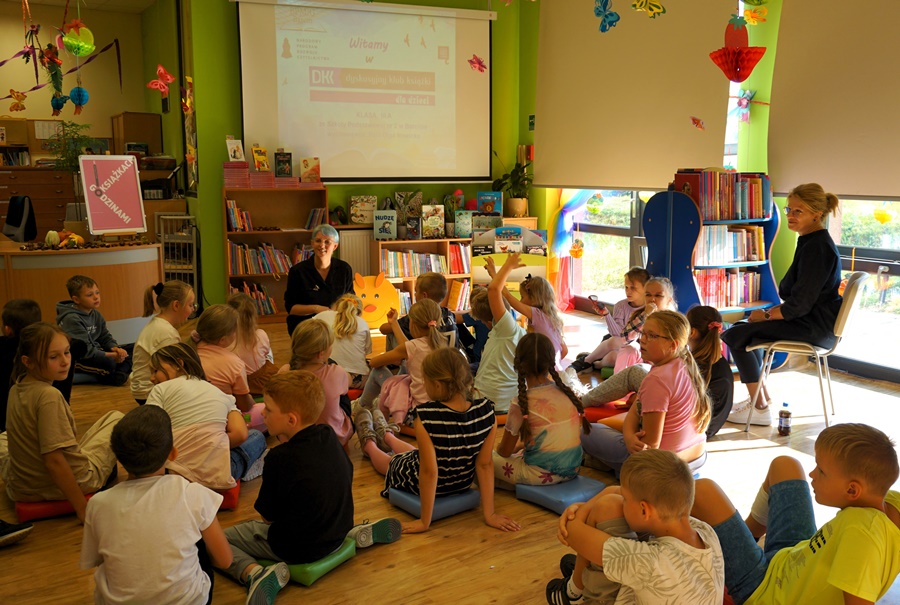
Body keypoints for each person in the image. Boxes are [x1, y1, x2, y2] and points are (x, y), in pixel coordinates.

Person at [690, 423, 900, 604]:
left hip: (766, 592)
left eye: (821, 471)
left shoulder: (863, 535)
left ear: (852, 490)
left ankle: (735, 555)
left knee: (703, 491)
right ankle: (747, 542)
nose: (812, 474)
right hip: (795, 556)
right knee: (785, 465)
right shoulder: (889, 502)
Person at [219, 371, 362, 604]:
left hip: (297, 549)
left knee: (214, 541)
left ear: (291, 420)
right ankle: (352, 535)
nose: (263, 413)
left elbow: (267, 517)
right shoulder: (327, 434)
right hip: (338, 531)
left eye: (269, 410)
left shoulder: (279, 458)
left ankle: (255, 573)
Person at [355, 347, 521, 534]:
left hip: (425, 480)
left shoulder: (426, 415)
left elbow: (428, 472)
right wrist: (490, 514)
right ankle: (386, 434)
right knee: (416, 455)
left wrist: (424, 521)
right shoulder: (486, 410)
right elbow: (484, 465)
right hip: (460, 483)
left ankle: (369, 442)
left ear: (437, 385)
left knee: (391, 463)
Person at [80, 405, 232, 605]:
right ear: (173, 454)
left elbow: (97, 561)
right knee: (200, 541)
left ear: (118, 459)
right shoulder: (192, 493)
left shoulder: (98, 504)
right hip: (189, 601)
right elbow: (225, 561)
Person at [724, 183, 842, 426]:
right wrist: (765, 315)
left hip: (813, 327)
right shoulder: (811, 241)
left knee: (736, 334)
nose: (790, 215)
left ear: (816, 214)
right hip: (813, 321)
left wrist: (766, 316)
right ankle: (761, 400)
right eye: (789, 209)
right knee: (744, 330)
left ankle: (759, 408)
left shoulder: (817, 248)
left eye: (798, 211)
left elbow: (798, 305)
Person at [548, 449, 724, 605]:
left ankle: (573, 594)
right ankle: (584, 576)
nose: (621, 499)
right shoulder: (706, 531)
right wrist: (606, 497)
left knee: (606, 507)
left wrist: (580, 511)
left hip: (639, 580)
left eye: (625, 498)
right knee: (611, 503)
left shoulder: (647, 563)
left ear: (644, 510)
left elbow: (572, 532)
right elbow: (615, 491)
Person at [0, 323, 122, 522]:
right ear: (28, 362)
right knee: (117, 418)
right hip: (62, 484)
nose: (65, 361)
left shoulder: (17, 386)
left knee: (3, 438)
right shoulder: (49, 396)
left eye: (66, 352)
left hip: (20, 487)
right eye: (53, 357)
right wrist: (82, 508)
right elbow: (54, 461)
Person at [580, 311, 710, 476]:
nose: (642, 339)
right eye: (643, 333)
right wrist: (628, 436)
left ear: (673, 345)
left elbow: (650, 447)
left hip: (666, 469)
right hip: (698, 458)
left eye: (652, 336)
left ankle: (609, 466)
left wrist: (630, 442)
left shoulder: (657, 379)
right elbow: (635, 411)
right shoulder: (682, 362)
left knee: (586, 431)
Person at [579, 306, 732, 440]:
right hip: (696, 433)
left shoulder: (680, 369)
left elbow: (651, 444)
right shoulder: (701, 362)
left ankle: (579, 402)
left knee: (635, 372)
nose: (644, 340)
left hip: (692, 430)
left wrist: (644, 400)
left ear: (691, 332)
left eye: (651, 336)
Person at [147, 343, 267, 484]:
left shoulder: (160, 390)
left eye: (155, 370)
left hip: (175, 473)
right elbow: (240, 434)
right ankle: (247, 467)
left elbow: (150, 431)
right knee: (256, 436)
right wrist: (212, 443)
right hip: (218, 477)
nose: (152, 378)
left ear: (179, 364)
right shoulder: (220, 394)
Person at [493, 333, 590, 487]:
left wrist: (500, 450)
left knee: (484, 458)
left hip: (541, 475)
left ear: (519, 364)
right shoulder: (567, 393)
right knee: (518, 451)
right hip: (573, 469)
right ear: (550, 363)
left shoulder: (520, 404)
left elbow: (504, 452)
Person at [357, 299, 450, 427]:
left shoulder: (412, 347)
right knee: (405, 367)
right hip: (439, 410)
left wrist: (393, 358)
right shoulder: (442, 342)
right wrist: (394, 323)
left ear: (413, 324)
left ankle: (361, 405)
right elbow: (408, 347)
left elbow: (374, 362)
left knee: (377, 371)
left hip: (417, 414)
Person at [280, 319, 352, 447]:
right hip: (334, 439)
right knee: (343, 396)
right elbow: (348, 383)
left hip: (294, 440)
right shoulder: (335, 372)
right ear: (321, 354)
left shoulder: (284, 372)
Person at [483, 258, 568, 367]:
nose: (520, 301)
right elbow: (564, 350)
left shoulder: (537, 314)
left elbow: (508, 296)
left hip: (543, 369)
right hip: (556, 369)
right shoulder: (552, 318)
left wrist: (494, 274)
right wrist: (555, 365)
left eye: (523, 297)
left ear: (534, 298)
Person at [472, 253, 528, 414]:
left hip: (491, 403)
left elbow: (494, 290)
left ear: (490, 322)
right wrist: (493, 273)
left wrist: (508, 266)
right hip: (504, 402)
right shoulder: (513, 329)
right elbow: (500, 293)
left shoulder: (506, 329)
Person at [569, 267, 650, 374]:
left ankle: (596, 363)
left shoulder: (649, 308)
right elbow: (619, 335)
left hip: (635, 349)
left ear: (645, 288)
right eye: (626, 287)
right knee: (616, 341)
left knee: (613, 356)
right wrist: (607, 314)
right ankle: (586, 361)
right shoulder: (620, 306)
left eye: (633, 288)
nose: (628, 291)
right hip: (618, 342)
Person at [56, 275, 133, 386]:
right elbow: (86, 351)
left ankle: (117, 374)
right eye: (90, 295)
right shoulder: (71, 318)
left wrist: (116, 348)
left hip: (97, 352)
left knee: (134, 349)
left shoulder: (95, 314)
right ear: (76, 299)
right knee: (109, 362)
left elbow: (105, 336)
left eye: (97, 293)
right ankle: (112, 375)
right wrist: (112, 356)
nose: (96, 297)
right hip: (81, 358)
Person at [131, 280, 196, 404]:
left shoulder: (158, 324)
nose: (192, 309)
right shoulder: (166, 333)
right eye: (190, 305)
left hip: (141, 389)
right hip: (148, 393)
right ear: (176, 305)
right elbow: (171, 371)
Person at [284, 224, 354, 336]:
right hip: (306, 325)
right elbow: (291, 309)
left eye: (327, 242)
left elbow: (351, 300)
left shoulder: (344, 269)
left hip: (336, 324)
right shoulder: (297, 271)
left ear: (335, 246)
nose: (322, 245)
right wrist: (317, 309)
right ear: (312, 243)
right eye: (318, 241)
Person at [188, 304, 255, 413]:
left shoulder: (184, 353)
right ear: (222, 340)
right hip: (219, 417)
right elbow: (244, 406)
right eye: (235, 331)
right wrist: (251, 400)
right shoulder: (234, 364)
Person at [380, 272, 462, 356]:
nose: (415, 294)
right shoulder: (450, 314)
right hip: (452, 363)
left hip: (425, 364)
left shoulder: (417, 316)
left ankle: (393, 365)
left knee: (391, 332)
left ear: (424, 295)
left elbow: (383, 329)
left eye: (416, 291)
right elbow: (460, 318)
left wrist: (394, 322)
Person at [686, 306, 734, 438]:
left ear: (692, 332)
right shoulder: (720, 362)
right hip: (707, 430)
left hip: (693, 433)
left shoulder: (693, 366)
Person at [315, 293, 372, 390]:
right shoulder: (363, 324)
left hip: (327, 375)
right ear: (359, 312)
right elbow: (366, 351)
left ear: (337, 306)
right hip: (356, 380)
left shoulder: (322, 316)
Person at [227, 292, 278, 397]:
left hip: (242, 386)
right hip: (265, 380)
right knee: (268, 356)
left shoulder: (226, 342)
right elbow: (266, 352)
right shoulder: (261, 334)